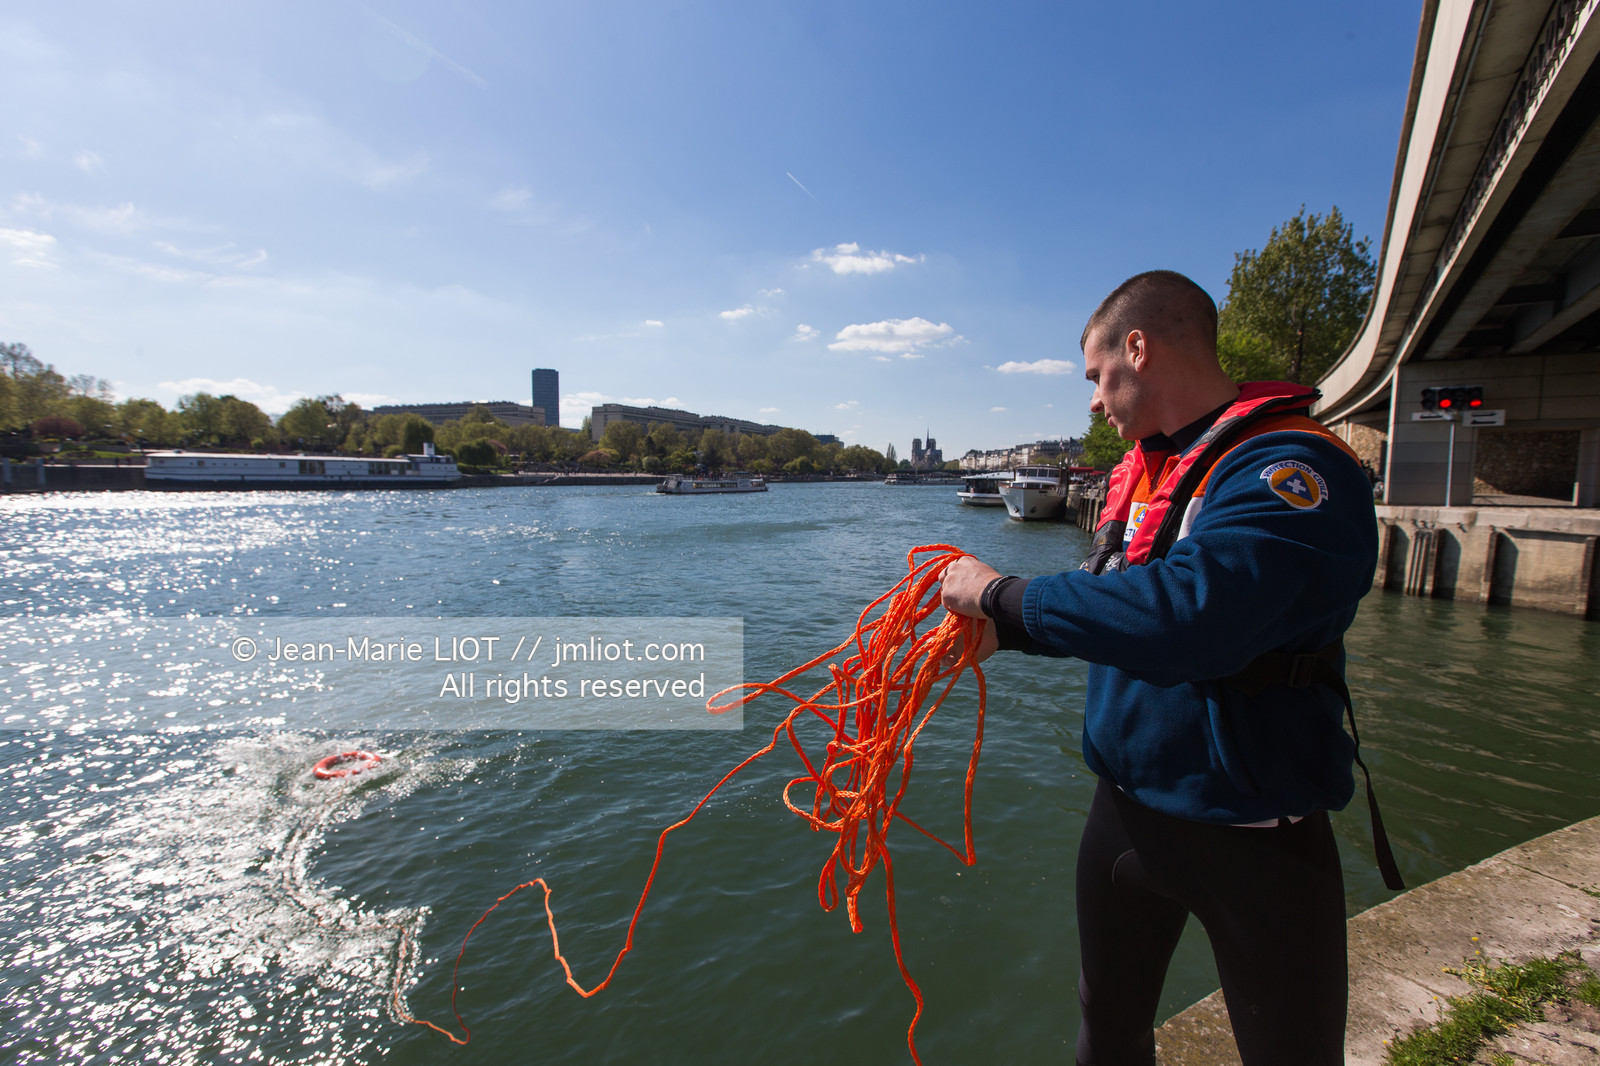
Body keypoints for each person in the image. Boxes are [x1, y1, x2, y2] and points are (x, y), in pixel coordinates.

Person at [940, 270, 1392, 1066]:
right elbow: (1114, 604)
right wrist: (1003, 636)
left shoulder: (1291, 469)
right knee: (1106, 1024)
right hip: (1124, 813)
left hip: (1257, 831)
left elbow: (1192, 619)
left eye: (1094, 376)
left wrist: (1002, 595)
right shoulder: (1143, 476)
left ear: (1138, 349)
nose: (1090, 401)